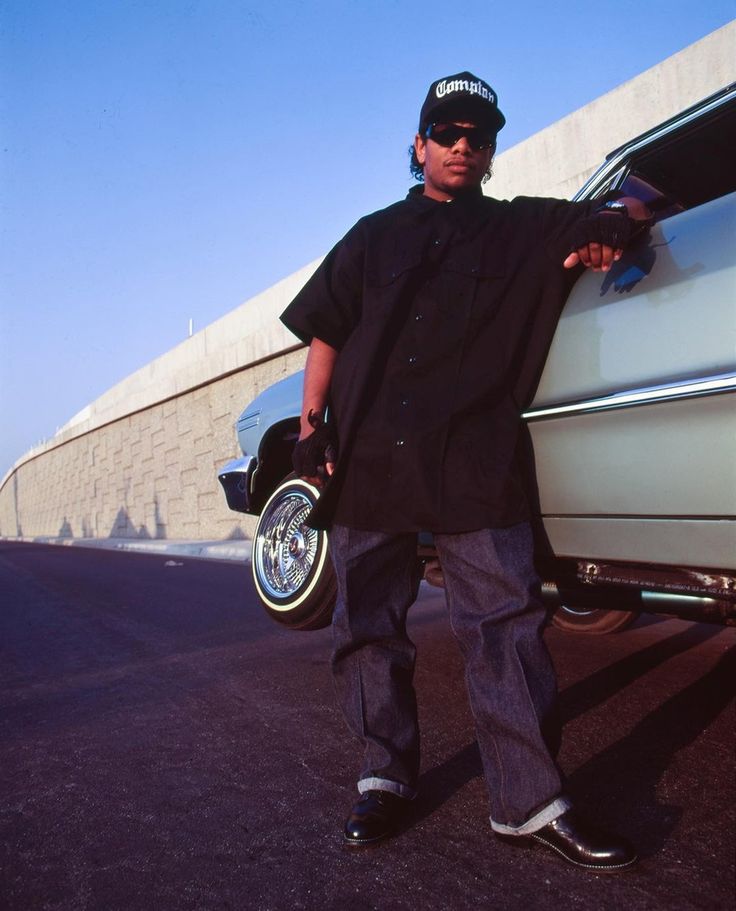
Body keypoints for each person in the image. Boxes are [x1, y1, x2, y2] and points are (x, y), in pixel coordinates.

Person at [280, 71, 649, 872]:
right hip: (373, 455)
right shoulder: (372, 235)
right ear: (418, 146)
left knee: (505, 626)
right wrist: (314, 426)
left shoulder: (522, 229)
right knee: (368, 627)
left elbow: (625, 209)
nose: (461, 146)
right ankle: (383, 776)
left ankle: (528, 801)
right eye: (445, 133)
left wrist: (608, 233)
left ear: (490, 152)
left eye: (477, 136)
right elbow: (326, 331)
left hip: (476, 456)